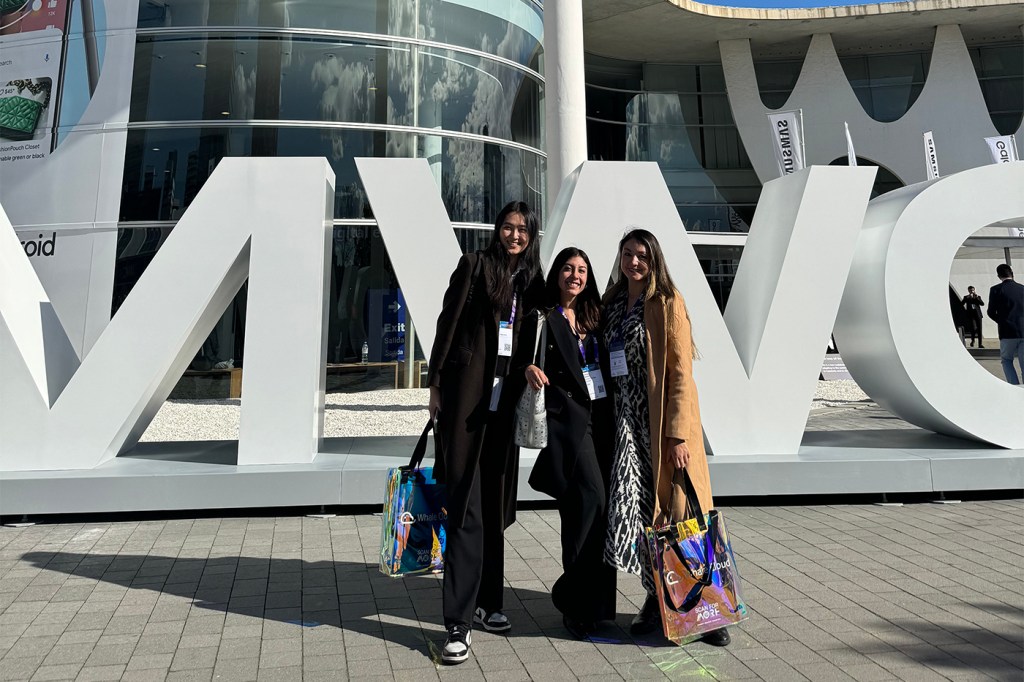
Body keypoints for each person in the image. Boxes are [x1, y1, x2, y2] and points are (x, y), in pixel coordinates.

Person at [426, 201, 544, 664]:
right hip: (467, 404)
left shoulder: (532, 284)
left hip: (504, 409)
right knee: (466, 511)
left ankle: (489, 603)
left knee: (493, 508)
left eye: (522, 230)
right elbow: (447, 323)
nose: (514, 235)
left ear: (531, 237)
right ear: (498, 230)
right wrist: (435, 385)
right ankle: (457, 622)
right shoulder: (475, 266)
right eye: (508, 227)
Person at [601, 228, 730, 647]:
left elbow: (680, 375)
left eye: (641, 254)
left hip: (661, 427)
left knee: (683, 514)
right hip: (627, 426)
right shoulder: (612, 303)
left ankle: (710, 606)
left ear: (653, 259)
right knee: (643, 518)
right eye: (627, 254)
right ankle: (658, 600)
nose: (633, 261)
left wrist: (678, 434)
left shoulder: (668, 303)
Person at [523, 247, 617, 639]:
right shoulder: (543, 317)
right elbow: (520, 360)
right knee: (590, 500)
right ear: (557, 274)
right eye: (568, 268)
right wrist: (527, 368)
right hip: (568, 426)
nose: (575, 276)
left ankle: (592, 606)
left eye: (582, 270)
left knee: (592, 510)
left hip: (603, 423)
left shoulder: (596, 316)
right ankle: (572, 597)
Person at [987, 264, 1024, 385]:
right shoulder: (1022, 288)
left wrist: (1002, 321)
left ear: (998, 276)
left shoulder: (996, 289)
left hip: (1007, 332)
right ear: (1012, 273)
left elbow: (990, 312)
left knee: (1007, 360)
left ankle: (1014, 386)